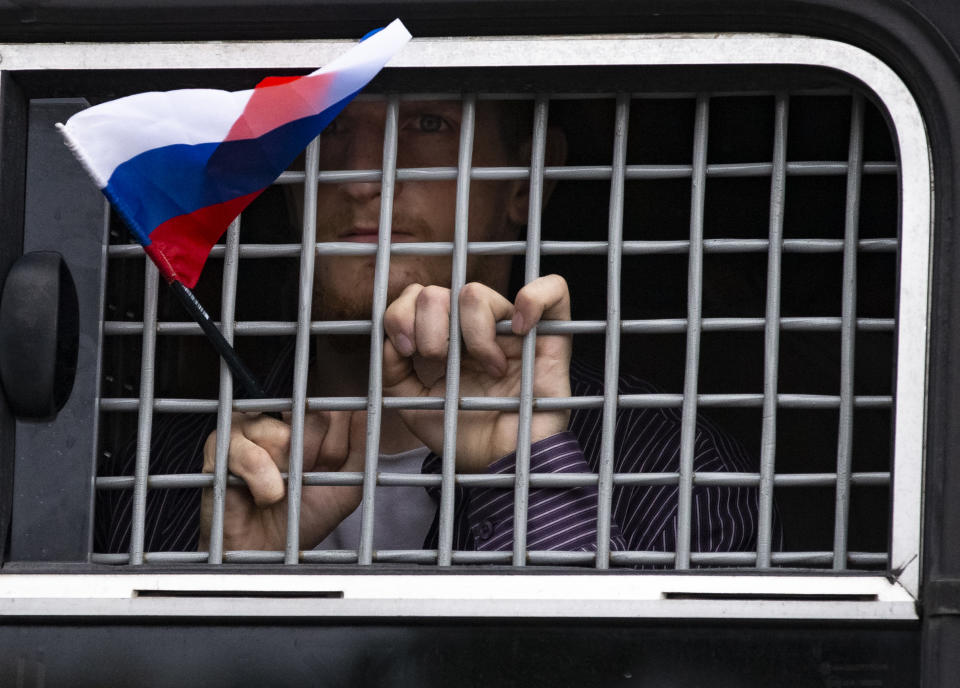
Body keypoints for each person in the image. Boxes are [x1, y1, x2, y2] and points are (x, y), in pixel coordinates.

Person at [98, 98, 768, 559]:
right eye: (329, 129)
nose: (363, 174)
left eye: (427, 123)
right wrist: (229, 588)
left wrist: (527, 470)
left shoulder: (677, 474)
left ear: (526, 179)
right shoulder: (164, 476)